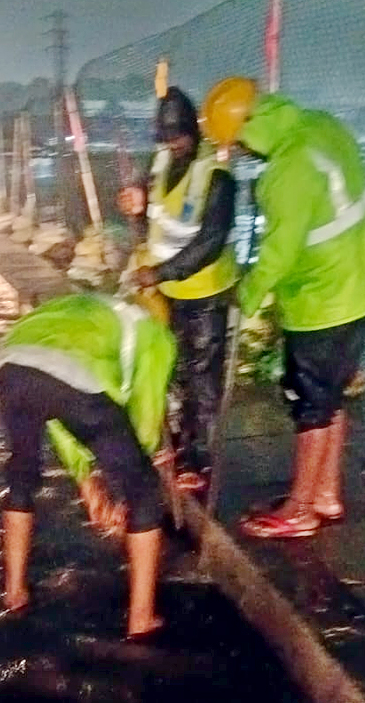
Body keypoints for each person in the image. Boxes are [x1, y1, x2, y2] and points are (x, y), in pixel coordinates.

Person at [201, 77, 365, 538]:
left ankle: (299, 510)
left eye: (237, 145)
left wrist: (248, 294)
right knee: (330, 394)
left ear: (246, 131)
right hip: (361, 282)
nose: (240, 154)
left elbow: (278, 253)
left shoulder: (286, 170)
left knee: (310, 406)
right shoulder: (320, 125)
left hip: (324, 298)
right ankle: (325, 493)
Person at [0, 292, 176, 638]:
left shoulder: (90, 309)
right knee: (144, 487)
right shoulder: (155, 333)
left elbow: (57, 413)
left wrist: (85, 478)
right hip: (64, 372)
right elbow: (146, 409)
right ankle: (142, 618)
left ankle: (14, 593)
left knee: (22, 473)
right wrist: (134, 474)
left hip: (9, 365)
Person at [120, 86, 237, 491]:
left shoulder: (217, 176)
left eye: (179, 136)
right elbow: (150, 196)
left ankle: (200, 462)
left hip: (205, 292)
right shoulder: (161, 161)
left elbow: (211, 241)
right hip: (168, 291)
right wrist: (136, 194)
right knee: (175, 369)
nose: (173, 143)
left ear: (194, 131)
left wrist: (161, 272)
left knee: (203, 377)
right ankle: (179, 444)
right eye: (167, 138)